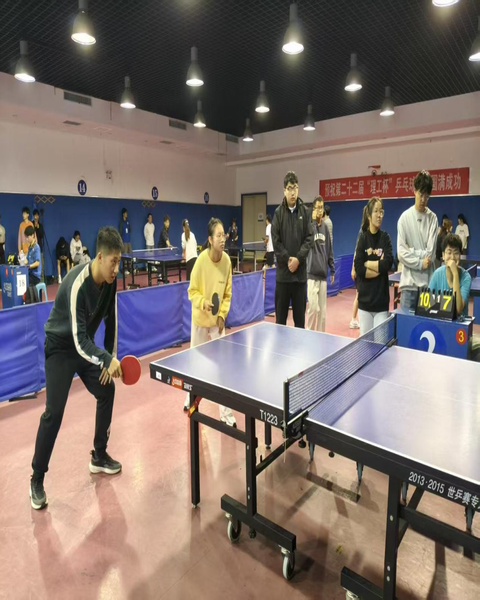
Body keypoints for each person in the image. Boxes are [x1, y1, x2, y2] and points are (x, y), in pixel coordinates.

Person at [30, 227, 124, 510]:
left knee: (107, 389)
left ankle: (99, 455)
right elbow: (78, 340)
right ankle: (37, 478)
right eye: (113, 262)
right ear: (99, 257)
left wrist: (109, 355)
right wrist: (104, 359)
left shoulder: (111, 283)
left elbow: (111, 322)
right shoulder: (76, 283)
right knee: (54, 412)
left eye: (119, 262)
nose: (116, 268)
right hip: (60, 348)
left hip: (84, 345)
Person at [183, 218, 236, 427]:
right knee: (195, 365)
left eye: (224, 235)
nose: (223, 239)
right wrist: (202, 302)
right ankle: (190, 398)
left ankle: (226, 413)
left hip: (216, 322)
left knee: (223, 367)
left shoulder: (227, 261)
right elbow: (192, 291)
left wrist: (222, 314)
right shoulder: (201, 262)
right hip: (199, 320)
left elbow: (227, 293)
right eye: (219, 236)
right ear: (210, 239)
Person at [271, 171, 313, 328]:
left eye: (295, 187)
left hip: (299, 279)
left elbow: (309, 238)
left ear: (298, 189)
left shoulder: (305, 212)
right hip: (283, 278)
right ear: (284, 191)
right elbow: (276, 241)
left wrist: (298, 259)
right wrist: (288, 259)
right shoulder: (278, 213)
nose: (293, 192)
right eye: (289, 188)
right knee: (280, 324)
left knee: (300, 323)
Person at [397, 170, 438, 311]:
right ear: (414, 191)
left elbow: (431, 255)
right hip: (408, 286)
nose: (423, 200)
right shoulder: (404, 219)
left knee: (426, 324)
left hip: (428, 286)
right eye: (421, 195)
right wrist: (420, 263)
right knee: (406, 325)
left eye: (427, 197)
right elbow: (401, 254)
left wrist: (411, 250)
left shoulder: (433, 218)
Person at [354, 197, 393, 335]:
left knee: (380, 344)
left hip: (381, 304)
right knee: (365, 344)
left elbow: (388, 263)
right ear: (369, 215)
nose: (379, 215)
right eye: (376, 211)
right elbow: (359, 268)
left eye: (381, 211)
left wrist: (368, 263)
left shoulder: (385, 238)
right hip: (364, 303)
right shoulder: (363, 239)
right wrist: (378, 269)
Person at [306, 196, 334, 332]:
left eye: (321, 208)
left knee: (322, 313)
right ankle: (309, 335)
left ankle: (321, 337)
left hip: (323, 275)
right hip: (311, 274)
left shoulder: (325, 228)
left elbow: (329, 250)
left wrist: (332, 269)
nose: (319, 210)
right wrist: (313, 223)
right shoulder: (309, 226)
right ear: (313, 209)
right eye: (317, 208)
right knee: (313, 309)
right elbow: (307, 241)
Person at [429, 233, 472, 317]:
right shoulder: (437, 274)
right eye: (449, 252)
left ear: (460, 255)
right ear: (443, 255)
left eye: (456, 253)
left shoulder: (466, 278)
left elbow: (458, 309)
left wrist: (455, 274)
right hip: (440, 319)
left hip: (459, 323)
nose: (452, 257)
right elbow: (428, 305)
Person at [32, 209, 45, 281]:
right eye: (34, 215)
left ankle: (42, 281)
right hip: (32, 248)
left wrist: (38, 228)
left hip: (39, 247)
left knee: (41, 265)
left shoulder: (40, 225)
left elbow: (42, 235)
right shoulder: (31, 224)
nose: (36, 217)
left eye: (37, 215)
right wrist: (34, 227)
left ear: (38, 216)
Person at [119, 208, 132, 276]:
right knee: (125, 255)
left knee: (130, 255)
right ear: (123, 214)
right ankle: (125, 269)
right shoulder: (121, 223)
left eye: (127, 213)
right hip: (124, 241)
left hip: (128, 241)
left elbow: (130, 230)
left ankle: (130, 268)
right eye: (126, 213)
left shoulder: (128, 222)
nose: (127, 214)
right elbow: (120, 233)